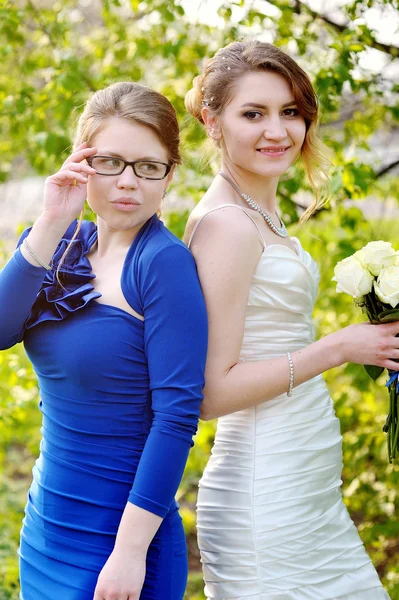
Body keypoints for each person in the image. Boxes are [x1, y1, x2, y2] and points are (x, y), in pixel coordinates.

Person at [183, 40, 394, 600]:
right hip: (265, 493)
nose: (278, 130)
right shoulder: (227, 224)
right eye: (253, 113)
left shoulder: (260, 213)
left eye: (291, 111)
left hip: (303, 485)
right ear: (212, 120)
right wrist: (340, 348)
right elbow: (209, 391)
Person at [0, 81, 208, 600]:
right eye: (110, 162)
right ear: (81, 163)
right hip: (46, 526)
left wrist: (130, 554)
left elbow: (177, 417)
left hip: (120, 541)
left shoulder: (162, 264)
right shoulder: (58, 241)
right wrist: (51, 220)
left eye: (148, 167)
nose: (128, 183)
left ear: (169, 176)